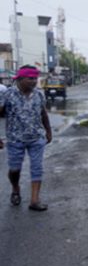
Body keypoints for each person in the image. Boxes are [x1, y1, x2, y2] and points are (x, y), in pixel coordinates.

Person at [0, 65, 52, 211]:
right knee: (14, 169)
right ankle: (15, 189)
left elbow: (43, 114)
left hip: (37, 138)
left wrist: (48, 131)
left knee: (37, 168)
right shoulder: (7, 94)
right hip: (15, 139)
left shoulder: (39, 95)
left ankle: (34, 200)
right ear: (20, 79)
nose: (34, 81)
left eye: (35, 78)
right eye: (30, 78)